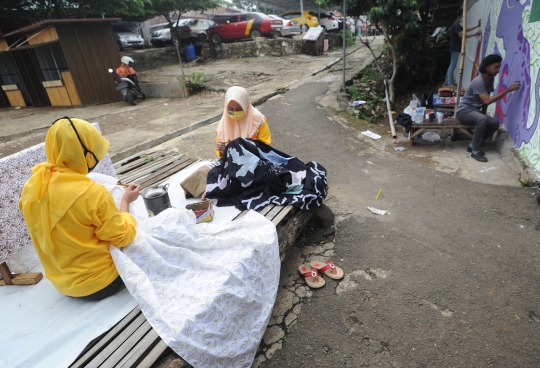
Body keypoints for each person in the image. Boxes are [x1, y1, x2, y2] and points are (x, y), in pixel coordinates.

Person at [19, 117, 140, 300]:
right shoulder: (92, 193)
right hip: (102, 283)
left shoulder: (33, 186)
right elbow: (122, 238)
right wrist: (126, 201)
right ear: (86, 154)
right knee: (144, 240)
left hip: (63, 284)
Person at [456, 54, 520, 162]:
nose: (498, 70)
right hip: (463, 112)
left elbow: (485, 102)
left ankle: (473, 145)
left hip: (474, 111)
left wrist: (483, 115)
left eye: (499, 67)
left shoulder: (489, 79)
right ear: (487, 68)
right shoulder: (478, 82)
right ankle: (475, 151)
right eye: (496, 67)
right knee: (482, 119)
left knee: (495, 123)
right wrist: (508, 90)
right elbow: (487, 100)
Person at [214, 86, 271, 157]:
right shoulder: (223, 124)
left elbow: (266, 147)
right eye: (230, 109)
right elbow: (222, 154)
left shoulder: (258, 122)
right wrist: (223, 150)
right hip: (232, 162)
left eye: (239, 109)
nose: (234, 112)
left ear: (245, 106)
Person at [445, 12, 481, 87]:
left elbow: (465, 30)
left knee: (451, 64)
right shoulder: (456, 25)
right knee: (452, 65)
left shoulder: (457, 25)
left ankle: (448, 81)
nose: (462, 17)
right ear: (458, 16)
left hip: (454, 47)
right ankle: (449, 82)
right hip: (455, 47)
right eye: (461, 16)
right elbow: (462, 36)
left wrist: (477, 26)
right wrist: (474, 34)